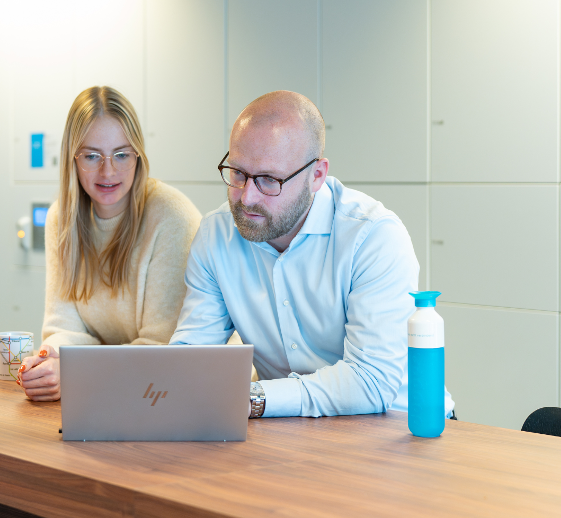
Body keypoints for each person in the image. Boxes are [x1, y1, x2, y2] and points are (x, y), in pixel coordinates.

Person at [171, 90, 454, 419]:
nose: (246, 197)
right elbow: (190, 357)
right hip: (290, 431)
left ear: (317, 175)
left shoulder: (373, 236)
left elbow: (370, 383)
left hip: (400, 433)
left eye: (267, 180)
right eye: (237, 173)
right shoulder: (215, 235)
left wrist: (256, 397)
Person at [18, 86, 202, 401]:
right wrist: (50, 362)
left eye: (121, 154)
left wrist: (76, 369)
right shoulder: (61, 218)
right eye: (92, 155)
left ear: (138, 156)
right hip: (118, 388)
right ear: (72, 160)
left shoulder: (172, 216)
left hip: (182, 390)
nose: (108, 171)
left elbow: (162, 349)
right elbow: (63, 330)